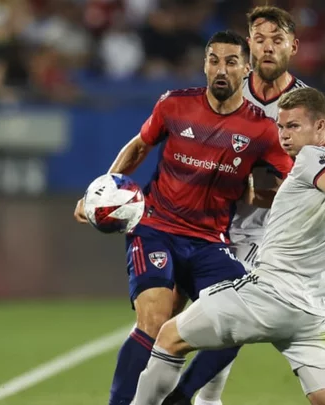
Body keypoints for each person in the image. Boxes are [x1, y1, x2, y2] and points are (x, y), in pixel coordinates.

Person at [130, 86, 325, 405]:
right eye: (281, 127)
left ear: (321, 126)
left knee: (170, 337)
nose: (284, 135)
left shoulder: (312, 158)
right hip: (311, 315)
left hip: (268, 296)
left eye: (294, 126)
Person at [73, 30, 293, 405]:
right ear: (205, 65)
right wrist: (99, 193)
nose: (221, 69)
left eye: (231, 61)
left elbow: (296, 181)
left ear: (247, 68)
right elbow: (141, 144)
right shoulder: (175, 105)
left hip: (210, 241)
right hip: (156, 228)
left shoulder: (261, 129)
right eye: (213, 60)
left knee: (243, 318)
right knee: (155, 320)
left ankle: (181, 398)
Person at [164, 6, 307, 405]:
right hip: (209, 222)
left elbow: (307, 179)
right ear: (248, 47)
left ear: (291, 47)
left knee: (224, 314)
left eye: (276, 40)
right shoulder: (225, 92)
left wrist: (254, 192)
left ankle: (199, 398)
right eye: (259, 39)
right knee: (175, 314)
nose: (266, 48)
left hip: (267, 229)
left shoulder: (302, 104)